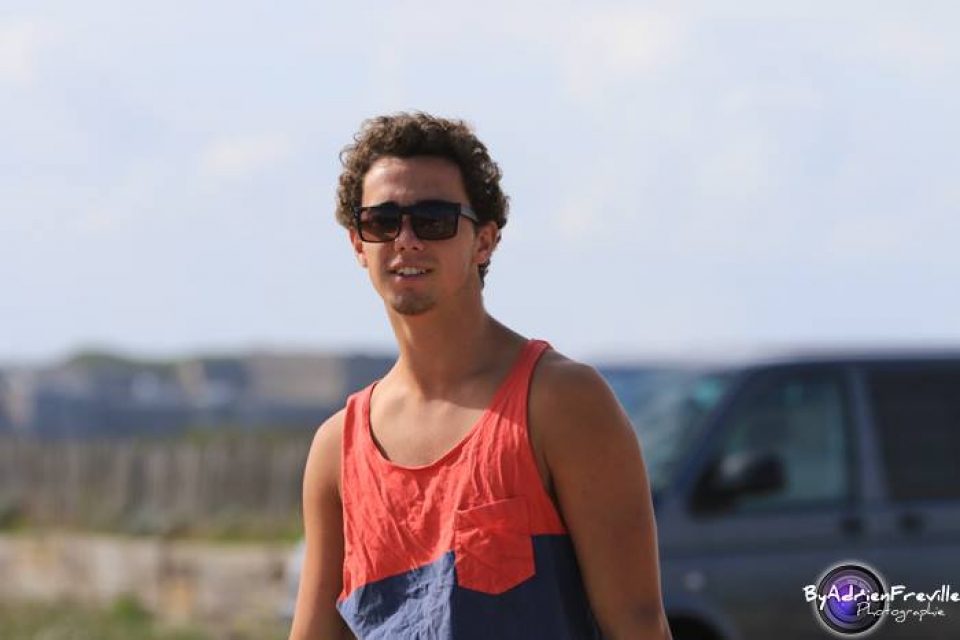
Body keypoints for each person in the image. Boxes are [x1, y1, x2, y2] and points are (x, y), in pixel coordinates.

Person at [289, 112, 671, 640]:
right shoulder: (338, 450)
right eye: (382, 221)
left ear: (484, 241)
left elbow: (637, 626)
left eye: (434, 219)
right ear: (359, 243)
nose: (406, 239)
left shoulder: (561, 403)